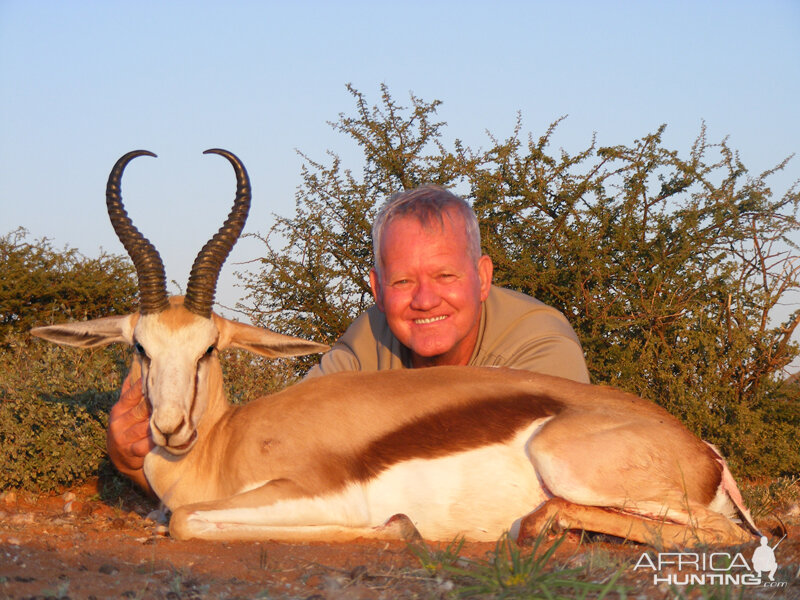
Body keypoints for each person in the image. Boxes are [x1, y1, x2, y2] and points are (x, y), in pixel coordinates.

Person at [107, 185, 590, 492]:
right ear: (378, 290)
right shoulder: (367, 342)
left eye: (445, 275)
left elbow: (560, 469)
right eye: (402, 282)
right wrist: (135, 463)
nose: (425, 300)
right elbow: (281, 456)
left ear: (482, 278)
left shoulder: (538, 342)